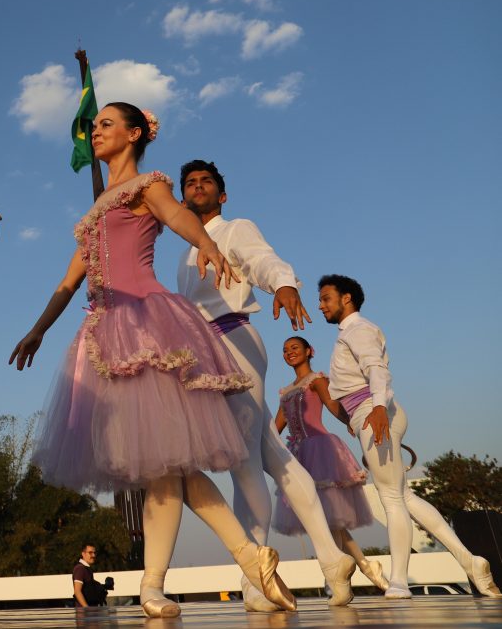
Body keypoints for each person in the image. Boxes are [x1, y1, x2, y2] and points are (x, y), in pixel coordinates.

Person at [10, 103, 297, 618]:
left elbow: (177, 215)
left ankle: (170, 580)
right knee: (165, 472)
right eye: (95, 125)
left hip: (146, 325)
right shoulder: (94, 214)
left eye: (106, 124)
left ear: (135, 133)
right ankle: (217, 568)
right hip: (104, 334)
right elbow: (68, 282)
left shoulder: (148, 186)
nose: (96, 131)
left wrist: (207, 242)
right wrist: (37, 329)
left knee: (169, 470)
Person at [177, 160, 356, 609]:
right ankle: (332, 557)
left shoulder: (234, 228)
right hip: (203, 350)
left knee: (244, 459)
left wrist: (282, 284)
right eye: (190, 183)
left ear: (222, 194)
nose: (198, 187)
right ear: (181, 198)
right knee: (272, 453)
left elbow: (262, 259)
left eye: (206, 182)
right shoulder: (184, 253)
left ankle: (256, 578)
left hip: (233, 337)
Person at [318, 274, 502, 599]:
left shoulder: (358, 330)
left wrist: (377, 408)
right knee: (403, 497)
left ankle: (399, 582)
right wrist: (358, 416)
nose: (321, 306)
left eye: (326, 298)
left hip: (375, 411)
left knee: (391, 497)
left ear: (346, 298)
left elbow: (377, 370)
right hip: (370, 412)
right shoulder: (349, 333)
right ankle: (470, 562)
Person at [273, 337, 388, 591]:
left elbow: (332, 404)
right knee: (322, 519)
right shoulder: (286, 392)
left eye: (294, 348)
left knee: (327, 518)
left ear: (309, 351)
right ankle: (364, 566)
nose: (289, 352)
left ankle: (336, 577)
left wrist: (351, 421)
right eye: (285, 350)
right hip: (297, 457)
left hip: (320, 450)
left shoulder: (316, 380)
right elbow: (275, 428)